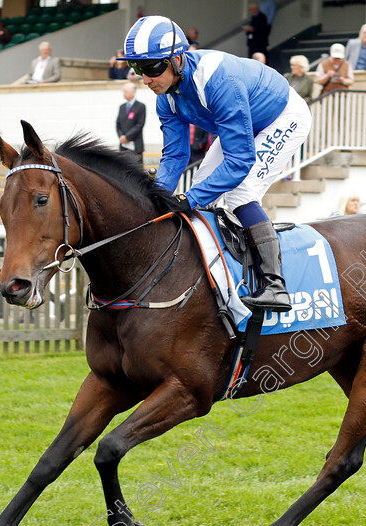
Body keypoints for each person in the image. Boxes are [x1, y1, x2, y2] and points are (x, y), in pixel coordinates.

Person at [120, 16, 312, 312]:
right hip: (243, 125)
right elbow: (175, 156)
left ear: (177, 58)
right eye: (137, 70)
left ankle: (275, 285)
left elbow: (240, 161)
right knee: (202, 192)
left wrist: (188, 199)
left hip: (283, 117)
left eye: (151, 68)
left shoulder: (218, 80)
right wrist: (156, 197)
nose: (145, 79)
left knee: (240, 191)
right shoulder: (165, 98)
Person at [115, 82, 146, 163]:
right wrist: (121, 136)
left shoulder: (140, 106)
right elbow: (118, 124)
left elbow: (140, 124)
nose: (124, 94)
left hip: (135, 144)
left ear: (133, 92)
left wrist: (127, 137)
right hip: (124, 146)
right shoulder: (122, 107)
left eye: (125, 91)